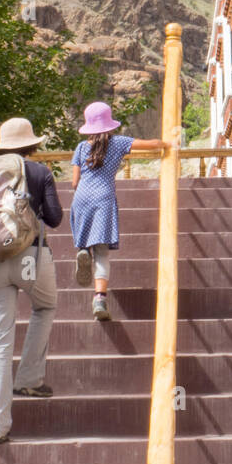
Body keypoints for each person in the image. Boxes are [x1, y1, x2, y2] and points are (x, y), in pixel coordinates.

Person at [0, 117, 63, 445]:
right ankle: (28, 377)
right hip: (29, 258)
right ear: (32, 145)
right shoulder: (39, 172)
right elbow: (54, 218)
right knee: (45, 306)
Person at [70, 101, 163, 321]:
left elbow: (74, 182)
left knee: (88, 243)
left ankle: (83, 250)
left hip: (81, 198)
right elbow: (151, 144)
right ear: (109, 125)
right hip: (104, 198)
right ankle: (99, 298)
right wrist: (169, 143)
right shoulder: (118, 143)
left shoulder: (81, 148)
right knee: (102, 252)